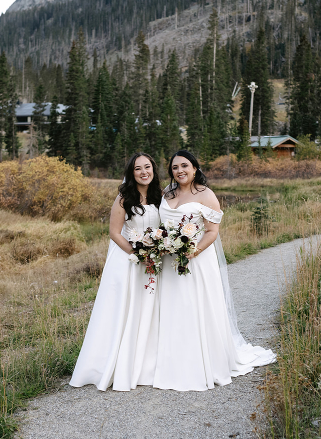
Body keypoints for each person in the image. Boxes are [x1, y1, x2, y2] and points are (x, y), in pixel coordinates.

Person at [153, 150, 276, 391]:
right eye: (175, 167)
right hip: (170, 260)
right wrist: (163, 244)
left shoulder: (206, 195)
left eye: (185, 166)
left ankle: (202, 358)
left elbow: (212, 231)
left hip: (196, 259)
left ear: (195, 168)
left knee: (195, 304)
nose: (180, 171)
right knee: (173, 304)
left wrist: (192, 251)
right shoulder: (167, 193)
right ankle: (171, 355)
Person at [69, 153, 163, 391]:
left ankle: (145, 365)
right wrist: (139, 254)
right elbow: (115, 232)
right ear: (131, 173)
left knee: (147, 311)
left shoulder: (159, 197)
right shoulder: (123, 199)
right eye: (138, 168)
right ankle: (113, 364)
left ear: (153, 169)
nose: (144, 172)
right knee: (124, 309)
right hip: (129, 262)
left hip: (152, 261)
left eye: (147, 167)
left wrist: (156, 251)